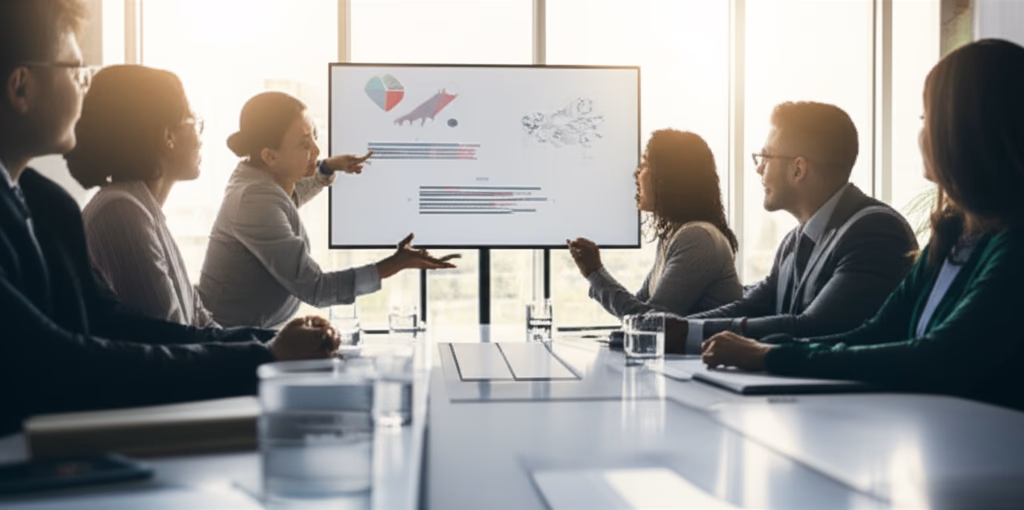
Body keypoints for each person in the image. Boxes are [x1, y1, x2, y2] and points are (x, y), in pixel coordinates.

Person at [0, 0, 337, 436]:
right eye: (76, 71)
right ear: (21, 87)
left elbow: (112, 322)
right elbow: (58, 361)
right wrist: (265, 357)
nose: (85, 88)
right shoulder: (114, 209)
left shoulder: (45, 203)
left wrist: (265, 346)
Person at [701, 39, 1024, 411]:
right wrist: (767, 351)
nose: (920, 135)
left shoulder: (1015, 246)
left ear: (967, 130)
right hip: (940, 433)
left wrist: (770, 357)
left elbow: (939, 357)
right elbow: (876, 333)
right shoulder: (952, 237)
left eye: (927, 120)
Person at [664, 101, 918, 354]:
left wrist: (687, 334)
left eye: (765, 157)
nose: (759, 167)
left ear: (798, 169)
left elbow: (816, 327)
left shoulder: (876, 232)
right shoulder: (792, 242)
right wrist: (663, 328)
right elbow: (749, 307)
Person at [199, 91, 458, 328]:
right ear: (269, 156)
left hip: (258, 334)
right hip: (233, 345)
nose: (316, 149)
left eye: (314, 135)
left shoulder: (260, 181)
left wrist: (326, 168)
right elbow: (318, 289)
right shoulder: (253, 200)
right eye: (303, 144)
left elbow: (291, 198)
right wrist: (397, 263)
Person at [65, 65, 218, 327]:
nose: (201, 138)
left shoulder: (142, 209)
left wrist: (272, 346)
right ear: (167, 136)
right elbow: (172, 338)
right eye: (193, 121)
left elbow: (200, 321)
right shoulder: (120, 213)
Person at [568, 129, 742, 318]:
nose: (637, 173)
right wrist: (595, 274)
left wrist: (595, 272)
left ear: (669, 177)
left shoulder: (698, 238)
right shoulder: (673, 236)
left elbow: (651, 322)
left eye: (645, 163)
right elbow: (640, 308)